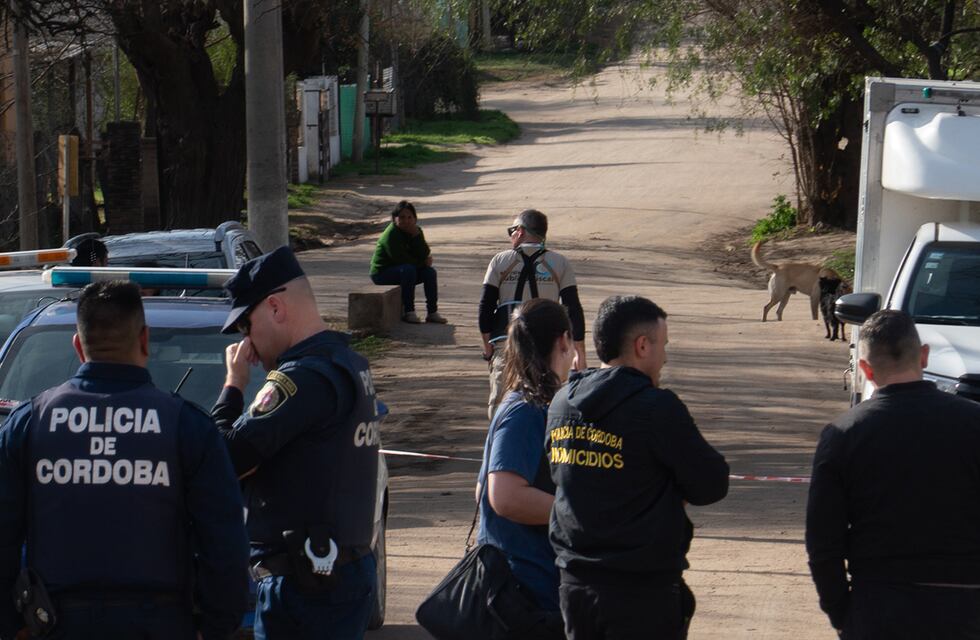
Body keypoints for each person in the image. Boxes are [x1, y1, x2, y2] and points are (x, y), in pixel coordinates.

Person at [0, 281, 249, 640]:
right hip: (160, 623)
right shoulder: (187, 427)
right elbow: (224, 543)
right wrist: (217, 626)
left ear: (78, 347)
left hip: (54, 621)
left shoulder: (30, 423)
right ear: (144, 340)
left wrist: (11, 623)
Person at [211, 246, 381, 640]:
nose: (246, 341)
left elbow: (225, 458)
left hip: (306, 585)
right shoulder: (348, 363)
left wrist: (233, 386)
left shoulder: (301, 378)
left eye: (246, 326)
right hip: (336, 569)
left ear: (275, 307)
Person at [547, 295, 729, 640]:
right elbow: (711, 483)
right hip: (641, 591)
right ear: (642, 346)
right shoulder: (657, 407)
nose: (665, 356)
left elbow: (560, 476)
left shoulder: (562, 402)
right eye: (663, 345)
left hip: (576, 585)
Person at [806, 309, 980, 639]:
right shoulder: (974, 424)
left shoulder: (843, 434)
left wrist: (841, 612)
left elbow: (823, 544)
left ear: (866, 369)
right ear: (924, 355)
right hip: (965, 605)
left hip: (878, 607)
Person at [475, 298, 575, 637]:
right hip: (522, 596)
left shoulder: (531, 405)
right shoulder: (524, 411)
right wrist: (579, 511)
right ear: (564, 341)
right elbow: (503, 497)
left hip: (530, 591)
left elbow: (483, 487)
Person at [478, 209, 586, 419]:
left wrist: (487, 347)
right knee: (548, 397)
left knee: (501, 400)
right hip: (547, 341)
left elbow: (485, 305)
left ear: (519, 231)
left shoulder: (500, 261)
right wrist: (579, 352)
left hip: (507, 340)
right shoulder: (560, 263)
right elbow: (573, 308)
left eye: (511, 231)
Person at [369, 200, 446, 324]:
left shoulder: (416, 231)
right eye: (402, 217)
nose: (406, 221)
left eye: (410, 217)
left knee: (429, 272)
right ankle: (409, 311)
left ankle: (432, 312)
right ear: (394, 219)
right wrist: (423, 263)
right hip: (382, 273)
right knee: (408, 269)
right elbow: (400, 259)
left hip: (405, 271)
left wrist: (417, 237)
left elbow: (424, 253)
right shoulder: (391, 234)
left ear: (415, 219)